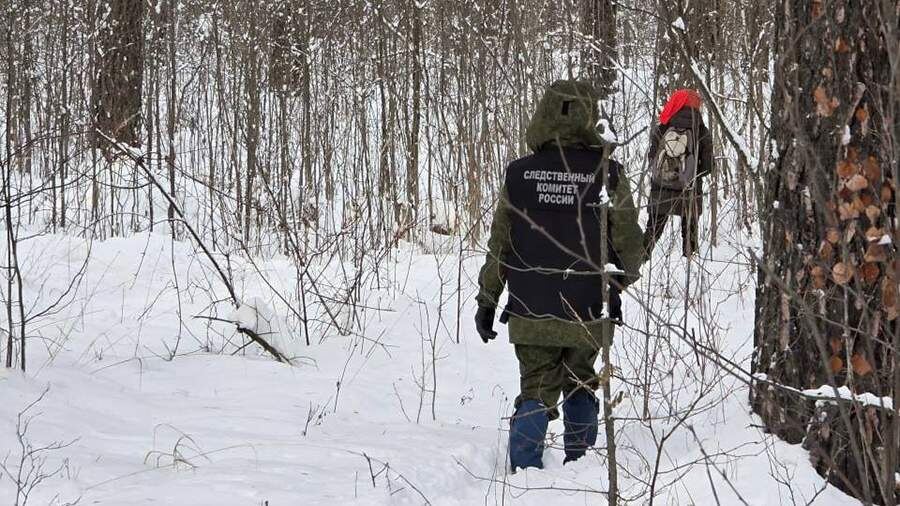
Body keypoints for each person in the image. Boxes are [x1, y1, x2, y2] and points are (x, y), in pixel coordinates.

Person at [474, 80, 643, 472]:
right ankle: (580, 468)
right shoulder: (607, 175)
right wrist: (617, 282)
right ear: (590, 118)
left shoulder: (519, 175)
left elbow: (501, 244)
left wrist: (487, 300)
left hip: (531, 309)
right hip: (588, 308)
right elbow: (630, 245)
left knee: (534, 388)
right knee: (582, 379)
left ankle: (523, 476)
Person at [642, 89, 714, 259]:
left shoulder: (663, 126)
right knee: (690, 232)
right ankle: (691, 263)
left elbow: (652, 159)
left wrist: (666, 175)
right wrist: (689, 173)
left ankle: (640, 260)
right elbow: (708, 167)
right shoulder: (701, 132)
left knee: (652, 230)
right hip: (689, 191)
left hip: (661, 189)